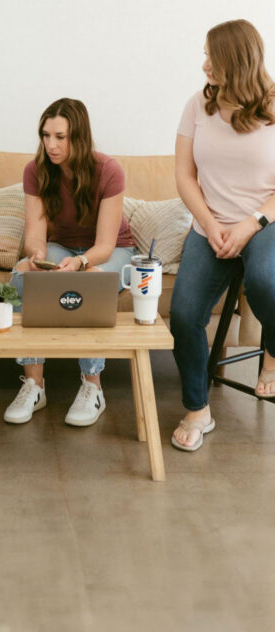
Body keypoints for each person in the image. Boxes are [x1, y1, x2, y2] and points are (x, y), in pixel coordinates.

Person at [170, 19, 275, 451]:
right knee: (183, 314)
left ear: (235, 61)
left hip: (264, 222)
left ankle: (272, 352)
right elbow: (183, 174)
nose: (205, 64)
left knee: (268, 283)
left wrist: (252, 223)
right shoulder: (198, 105)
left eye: (212, 56)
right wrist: (211, 226)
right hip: (209, 225)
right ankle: (198, 409)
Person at [6, 98, 137, 426]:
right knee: (22, 275)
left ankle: (93, 386)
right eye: (45, 135)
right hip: (62, 246)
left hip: (112, 250)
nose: (50, 145)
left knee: (90, 280)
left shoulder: (108, 170)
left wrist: (80, 264)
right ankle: (34, 384)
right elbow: (35, 236)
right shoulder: (35, 170)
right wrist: (37, 258)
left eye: (59, 137)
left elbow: (105, 247)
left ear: (79, 136)